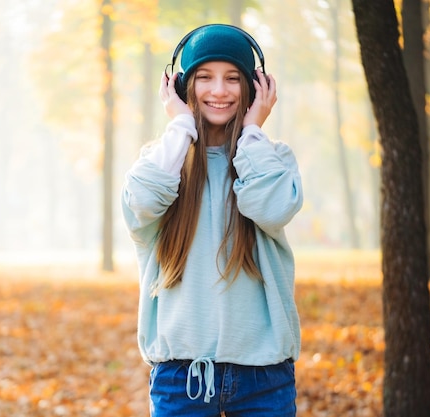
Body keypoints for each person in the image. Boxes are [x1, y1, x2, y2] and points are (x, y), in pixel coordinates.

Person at [121, 24, 304, 417]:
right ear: (180, 86)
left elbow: (270, 207)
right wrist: (180, 126)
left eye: (233, 79)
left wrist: (253, 130)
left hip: (264, 380)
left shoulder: (272, 160)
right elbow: (141, 204)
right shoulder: (160, 162)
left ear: (254, 88)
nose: (219, 91)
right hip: (180, 380)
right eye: (204, 77)